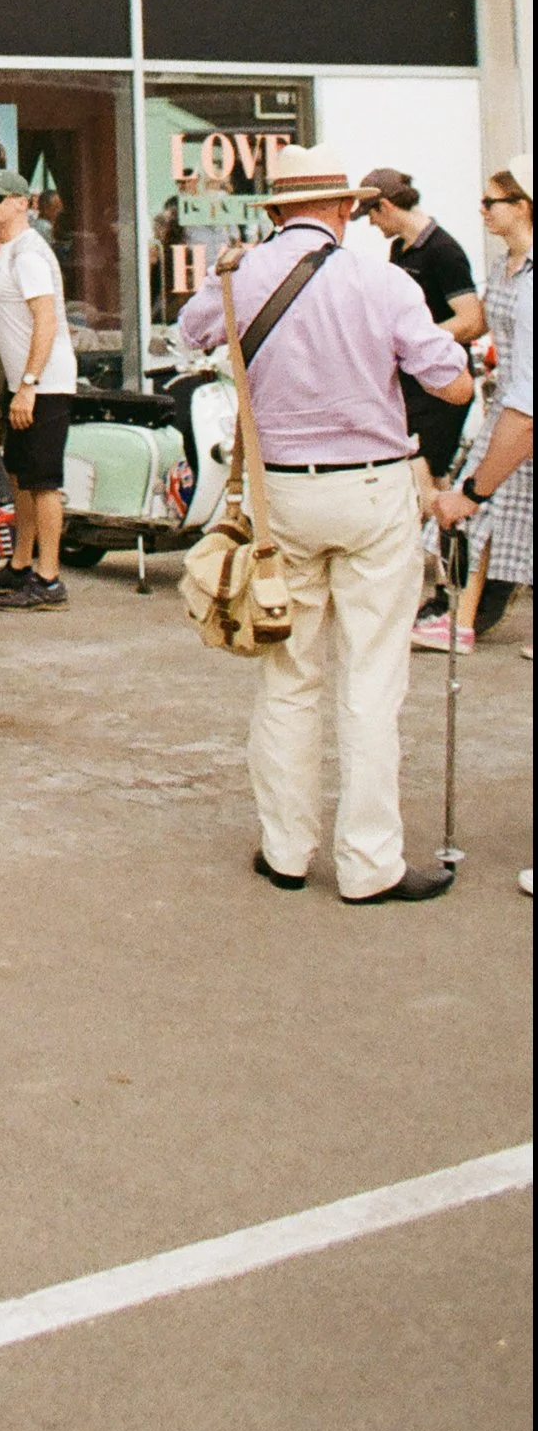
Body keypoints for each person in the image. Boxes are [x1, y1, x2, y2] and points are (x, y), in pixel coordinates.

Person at [178, 142, 473, 904]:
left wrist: (231, 275)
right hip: (372, 488)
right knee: (372, 679)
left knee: (288, 673)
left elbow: (192, 332)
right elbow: (451, 384)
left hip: (281, 496)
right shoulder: (384, 280)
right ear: (346, 208)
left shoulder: (241, 276)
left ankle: (286, 850)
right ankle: (371, 864)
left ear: (277, 212)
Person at [423, 164, 533, 656]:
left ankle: (460, 621)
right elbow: (480, 323)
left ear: (522, 206)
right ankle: (460, 621)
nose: (482, 210)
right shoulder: (505, 265)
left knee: (481, 508)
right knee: (482, 515)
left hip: (522, 407)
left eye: (491, 202)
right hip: (508, 402)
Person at [0, 167, 78, 611]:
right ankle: (20, 564)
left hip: (44, 384)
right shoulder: (10, 251)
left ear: (23, 203)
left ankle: (49, 578)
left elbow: (46, 321)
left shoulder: (29, 254)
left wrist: (30, 384)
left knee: (44, 481)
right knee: (20, 476)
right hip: (25, 383)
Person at [361, 168, 485, 498]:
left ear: (385, 206)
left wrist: (415, 340)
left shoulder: (443, 250)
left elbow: (471, 320)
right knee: (430, 481)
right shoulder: (399, 250)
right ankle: (446, 529)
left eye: (371, 214)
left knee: (422, 478)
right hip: (413, 383)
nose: (371, 224)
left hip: (443, 384)